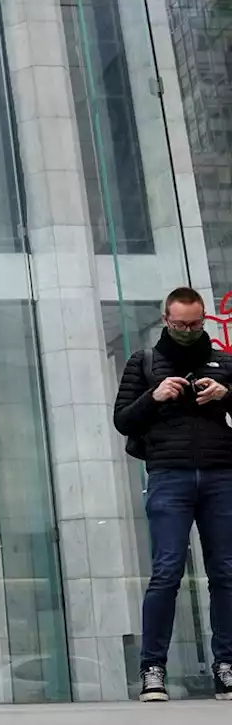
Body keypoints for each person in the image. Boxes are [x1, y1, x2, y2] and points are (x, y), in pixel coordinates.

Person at [114, 286, 232, 703]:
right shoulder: (143, 362)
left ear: (204, 320)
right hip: (168, 475)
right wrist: (155, 394)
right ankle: (153, 669)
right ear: (166, 319)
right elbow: (123, 420)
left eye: (195, 324)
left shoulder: (224, 363)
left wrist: (225, 393)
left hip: (221, 475)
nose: (187, 330)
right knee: (166, 572)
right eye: (180, 324)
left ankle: (227, 664)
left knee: (226, 571)